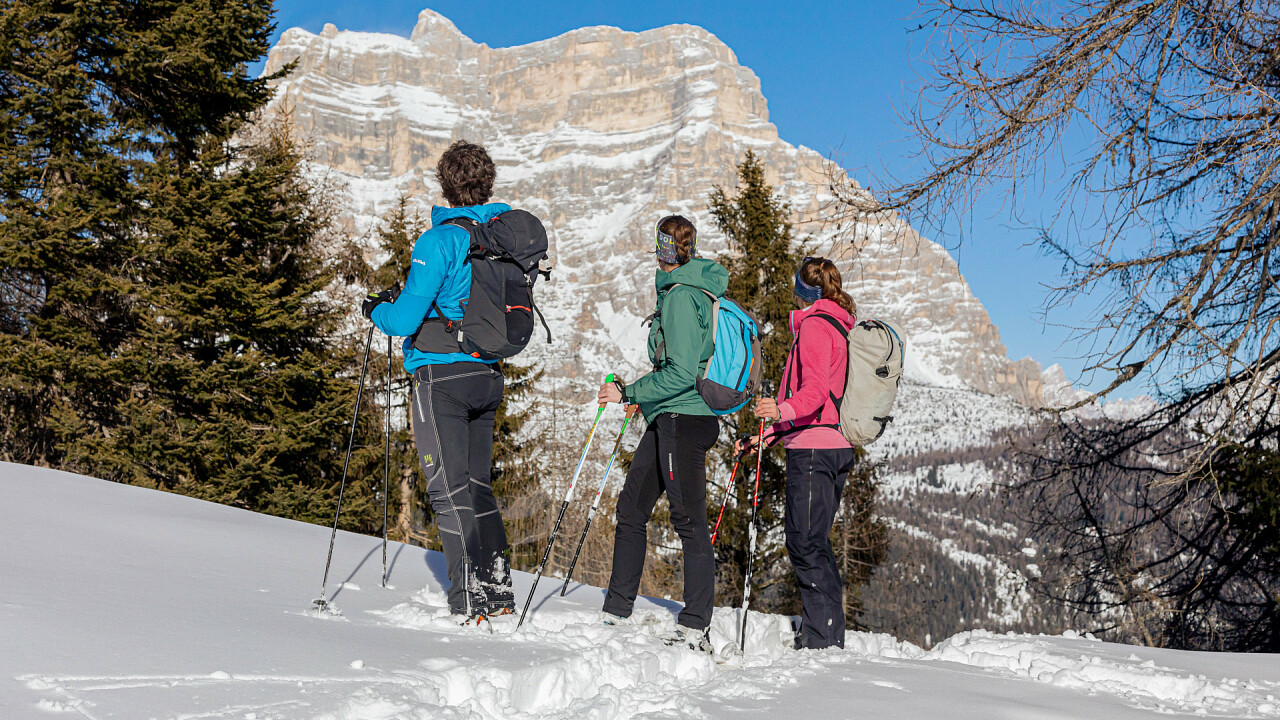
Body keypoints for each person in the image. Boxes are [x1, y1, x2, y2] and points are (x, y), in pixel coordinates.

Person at [362, 140, 513, 622]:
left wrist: (376, 309)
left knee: (449, 491)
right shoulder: (502, 237)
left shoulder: (440, 240)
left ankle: (467, 600)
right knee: (478, 486)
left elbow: (404, 320)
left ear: (445, 185)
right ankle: (498, 592)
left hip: (442, 377)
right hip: (488, 374)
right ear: (487, 183)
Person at [596, 215, 727, 652]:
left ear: (664, 251)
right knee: (631, 508)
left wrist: (628, 392)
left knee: (689, 520)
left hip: (683, 419)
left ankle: (695, 625)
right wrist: (644, 398)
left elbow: (682, 373)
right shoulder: (681, 290)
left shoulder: (682, 296)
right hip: (667, 416)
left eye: (659, 246)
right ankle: (616, 610)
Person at [738, 256, 857, 650]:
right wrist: (767, 437)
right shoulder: (838, 325)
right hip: (832, 444)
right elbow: (822, 403)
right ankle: (825, 633)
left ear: (802, 291)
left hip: (813, 451)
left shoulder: (815, 327)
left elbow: (815, 394)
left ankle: (822, 640)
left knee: (805, 543)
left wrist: (778, 411)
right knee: (814, 541)